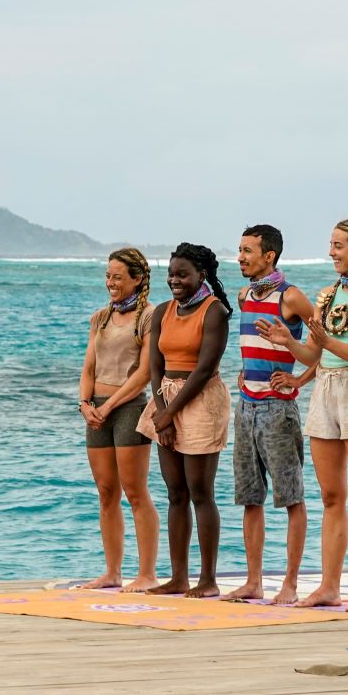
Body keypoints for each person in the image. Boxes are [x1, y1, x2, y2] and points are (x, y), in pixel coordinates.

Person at [258, 218, 348, 612]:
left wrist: (329, 341)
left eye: (339, 246)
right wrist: (289, 342)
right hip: (325, 390)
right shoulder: (327, 296)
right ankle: (329, 586)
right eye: (331, 245)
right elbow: (315, 357)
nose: (332, 252)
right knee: (331, 496)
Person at [223, 225, 315, 605]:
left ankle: (290, 584)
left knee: (291, 497)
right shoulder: (245, 295)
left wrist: (298, 378)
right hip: (245, 405)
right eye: (239, 250)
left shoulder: (291, 297)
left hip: (279, 409)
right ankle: (253, 581)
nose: (241, 256)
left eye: (248, 250)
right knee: (250, 497)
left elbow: (322, 347)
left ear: (269, 256)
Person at [137, 244, 233, 597]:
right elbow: (155, 366)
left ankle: (207, 580)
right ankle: (178, 576)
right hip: (165, 400)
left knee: (200, 492)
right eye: (171, 274)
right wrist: (162, 412)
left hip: (200, 400)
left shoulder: (215, 312)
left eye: (182, 274)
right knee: (175, 493)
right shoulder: (162, 312)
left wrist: (172, 412)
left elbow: (205, 368)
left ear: (201, 276)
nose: (174, 280)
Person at [78, 248, 160, 590]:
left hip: (128, 408)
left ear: (137, 279)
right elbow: (88, 367)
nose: (111, 283)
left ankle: (146, 574)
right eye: (108, 276)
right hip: (95, 410)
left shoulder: (149, 317)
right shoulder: (101, 318)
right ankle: (112, 572)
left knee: (135, 491)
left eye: (118, 277)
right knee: (106, 492)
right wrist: (85, 403)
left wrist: (109, 406)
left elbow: (143, 374)